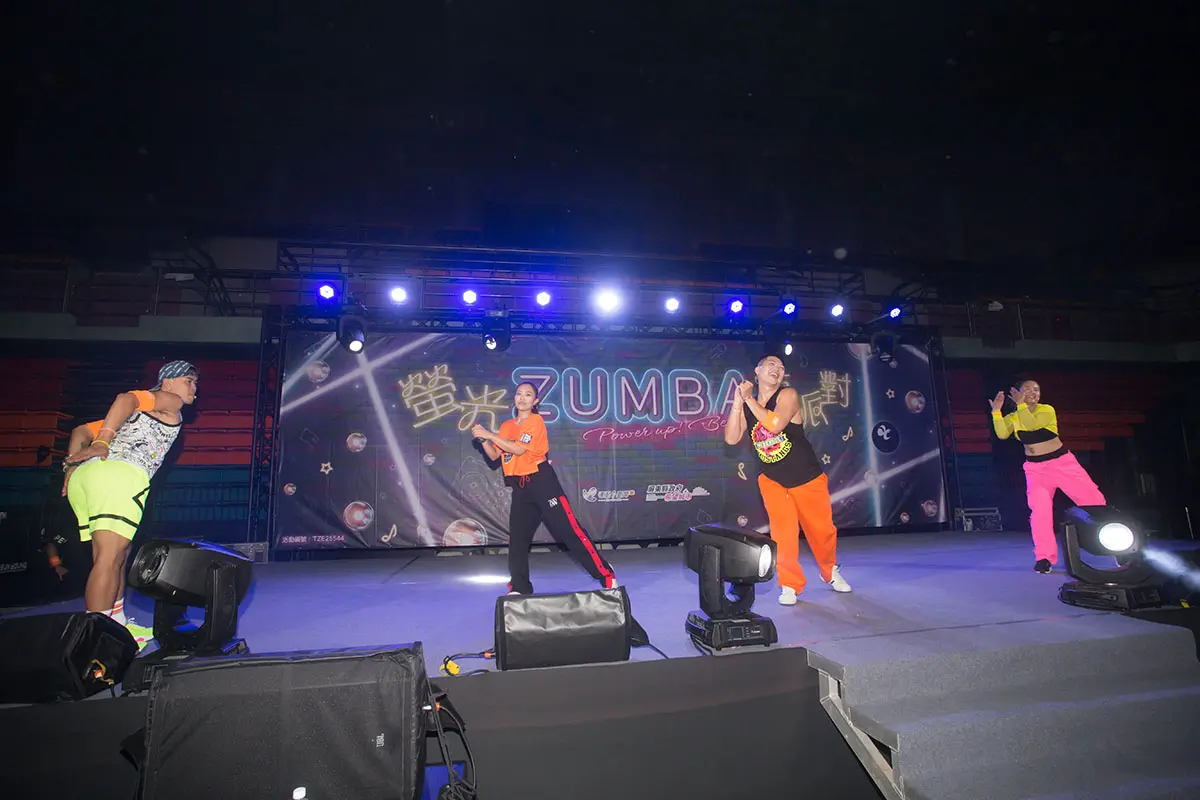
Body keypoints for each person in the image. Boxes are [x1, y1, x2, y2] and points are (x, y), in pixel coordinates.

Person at [62, 360, 199, 648]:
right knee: (109, 558)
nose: (194, 388)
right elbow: (126, 398)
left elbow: (79, 432)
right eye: (188, 380)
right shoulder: (171, 401)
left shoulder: (134, 417)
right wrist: (103, 441)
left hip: (89, 477)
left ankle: (119, 625)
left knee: (118, 555)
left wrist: (71, 469)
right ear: (168, 382)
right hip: (120, 474)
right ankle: (95, 642)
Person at [724, 354, 852, 605]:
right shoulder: (749, 404)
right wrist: (738, 403)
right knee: (783, 534)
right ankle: (790, 584)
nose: (777, 369)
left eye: (781, 367)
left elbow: (774, 425)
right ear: (757, 371)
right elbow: (731, 438)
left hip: (806, 477)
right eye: (771, 365)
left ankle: (829, 570)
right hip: (772, 480)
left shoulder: (788, 395)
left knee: (822, 532)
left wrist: (748, 398)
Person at [471, 381, 617, 595]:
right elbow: (494, 456)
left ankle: (605, 574)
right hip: (520, 487)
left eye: (528, 395)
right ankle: (520, 586)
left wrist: (491, 435)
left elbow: (519, 450)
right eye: (519, 394)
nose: (522, 398)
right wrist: (483, 440)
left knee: (569, 530)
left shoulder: (535, 421)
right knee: (518, 539)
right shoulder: (507, 426)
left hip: (542, 482)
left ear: (535, 401)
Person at [991, 379, 1106, 573]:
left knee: (1094, 501)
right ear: (1017, 393)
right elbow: (1002, 434)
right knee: (1040, 513)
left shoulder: (1046, 410)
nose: (1032, 392)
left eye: (1036, 389)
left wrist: (1021, 406)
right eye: (1027, 389)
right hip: (1036, 470)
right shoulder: (1015, 416)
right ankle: (1044, 557)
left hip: (1062, 464)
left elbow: (1033, 427)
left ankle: (1117, 545)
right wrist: (996, 412)